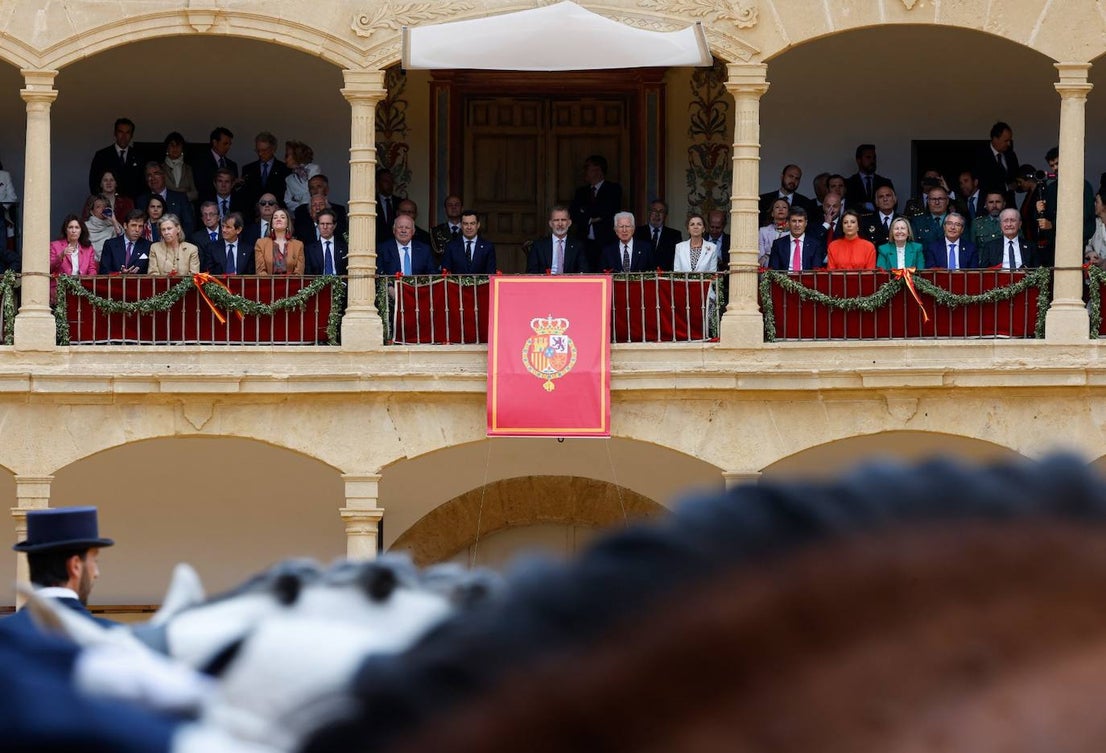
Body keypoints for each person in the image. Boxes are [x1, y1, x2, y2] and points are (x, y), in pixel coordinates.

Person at [1, 506, 115, 638]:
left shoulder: (4, 636)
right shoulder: (112, 638)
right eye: (95, 560)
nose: (96, 573)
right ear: (75, 565)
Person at [569, 155, 622, 270]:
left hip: (606, 242)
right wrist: (592, 218)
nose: (584, 172)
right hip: (584, 243)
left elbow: (608, 211)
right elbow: (573, 214)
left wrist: (585, 212)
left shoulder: (613, 189)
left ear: (597, 170)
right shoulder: (581, 192)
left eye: (587, 168)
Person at [87, 117, 143, 197]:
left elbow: (142, 184)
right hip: (107, 204)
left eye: (127, 133)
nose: (124, 136)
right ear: (115, 133)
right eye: (121, 132)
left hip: (132, 204)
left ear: (131, 135)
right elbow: (94, 183)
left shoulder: (138, 157)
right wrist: (101, 202)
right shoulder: (102, 155)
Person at [240, 131, 289, 222]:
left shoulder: (284, 169)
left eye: (264, 150)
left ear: (273, 149)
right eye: (258, 150)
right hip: (253, 218)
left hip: (277, 217)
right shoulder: (248, 169)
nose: (260, 154)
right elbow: (246, 197)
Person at [135, 161, 195, 236]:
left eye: (156, 174)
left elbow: (189, 224)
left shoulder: (180, 198)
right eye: (149, 175)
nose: (153, 178)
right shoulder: (141, 200)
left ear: (164, 175)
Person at [48, 215, 97, 302]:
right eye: (70, 227)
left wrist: (86, 286)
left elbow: (92, 270)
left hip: (81, 291)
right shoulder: (55, 246)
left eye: (77, 227)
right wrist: (61, 255)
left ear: (81, 230)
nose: (74, 231)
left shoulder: (88, 249)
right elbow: (49, 268)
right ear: (66, 230)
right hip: (60, 291)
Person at [526, 205, 588, 274]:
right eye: (556, 220)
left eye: (563, 220)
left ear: (569, 223)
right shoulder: (538, 246)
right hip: (545, 283)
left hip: (569, 283)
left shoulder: (578, 246)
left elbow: (583, 271)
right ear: (550, 223)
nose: (560, 224)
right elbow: (531, 273)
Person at [974, 120, 1020, 207]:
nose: (1009, 144)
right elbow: (983, 182)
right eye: (1006, 141)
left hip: (1008, 205)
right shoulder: (981, 155)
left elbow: (1016, 175)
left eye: (1010, 140)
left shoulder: (1010, 155)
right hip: (989, 206)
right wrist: (1006, 187)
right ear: (995, 139)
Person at [442, 209, 497, 274]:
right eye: (465, 224)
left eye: (472, 223)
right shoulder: (451, 246)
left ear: (478, 225)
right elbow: (445, 273)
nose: (469, 227)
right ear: (461, 226)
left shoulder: (488, 247)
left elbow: (491, 273)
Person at [768, 207, 823, 272]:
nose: (797, 225)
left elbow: (816, 270)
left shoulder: (815, 244)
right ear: (788, 223)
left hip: (806, 280)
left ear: (805, 223)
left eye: (800, 221)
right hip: (784, 280)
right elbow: (773, 270)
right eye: (794, 221)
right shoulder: (778, 244)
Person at [635, 199, 682, 271]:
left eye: (661, 211)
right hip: (642, 278)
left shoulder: (675, 235)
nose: (657, 214)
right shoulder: (637, 232)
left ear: (665, 215)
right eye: (654, 210)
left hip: (665, 278)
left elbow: (677, 261)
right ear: (649, 213)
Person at [844, 143, 893, 212]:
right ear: (858, 160)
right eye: (868, 157)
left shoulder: (885, 183)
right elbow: (848, 206)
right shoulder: (849, 183)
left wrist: (866, 205)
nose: (872, 161)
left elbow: (893, 204)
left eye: (874, 158)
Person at [254, 208, 304, 275]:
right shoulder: (261, 243)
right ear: (271, 223)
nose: (278, 219)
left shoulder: (298, 245)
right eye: (275, 218)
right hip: (267, 284)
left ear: (287, 223)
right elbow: (260, 271)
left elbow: (299, 273)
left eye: (282, 217)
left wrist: (287, 284)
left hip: (292, 284)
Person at [100, 209, 151, 274]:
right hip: (115, 283)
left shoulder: (148, 246)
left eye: (140, 226)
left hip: (138, 283)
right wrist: (120, 273)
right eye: (133, 225)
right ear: (125, 225)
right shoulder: (110, 244)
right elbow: (103, 271)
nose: (137, 230)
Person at [192, 126, 238, 197]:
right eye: (225, 144)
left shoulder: (232, 165)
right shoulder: (200, 162)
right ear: (215, 142)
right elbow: (200, 186)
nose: (228, 147)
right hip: (207, 204)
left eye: (229, 144)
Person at [304, 209, 348, 276]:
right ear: (318, 226)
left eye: (328, 224)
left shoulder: (344, 247)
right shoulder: (310, 249)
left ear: (334, 225)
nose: (325, 227)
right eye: (322, 224)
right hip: (317, 285)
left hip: (341, 284)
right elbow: (308, 273)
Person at [283, 140, 321, 214]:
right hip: (300, 214)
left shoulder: (313, 169)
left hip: (317, 210)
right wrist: (301, 207)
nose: (284, 159)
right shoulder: (289, 179)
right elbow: (287, 201)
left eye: (287, 155)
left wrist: (297, 198)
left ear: (296, 155)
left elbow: (313, 191)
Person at [83, 193, 122, 262]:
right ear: (92, 211)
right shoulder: (84, 227)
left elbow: (124, 243)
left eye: (105, 206)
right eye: (98, 207)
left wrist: (114, 221)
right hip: (89, 265)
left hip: (109, 265)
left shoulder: (113, 226)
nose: (102, 209)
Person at [161, 131, 198, 203]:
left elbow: (195, 194)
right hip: (165, 208)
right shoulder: (160, 169)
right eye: (172, 145)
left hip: (186, 208)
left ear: (182, 148)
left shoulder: (189, 169)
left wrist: (178, 196)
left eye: (178, 145)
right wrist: (182, 193)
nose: (175, 148)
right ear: (167, 148)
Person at [758, 198, 790, 267]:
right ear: (772, 213)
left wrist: (768, 254)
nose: (781, 209)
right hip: (767, 268)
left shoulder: (793, 232)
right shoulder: (763, 231)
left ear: (788, 213)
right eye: (777, 207)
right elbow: (761, 256)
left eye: (784, 207)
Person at [431, 194, 464, 259]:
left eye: (457, 205)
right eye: (450, 205)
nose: (453, 207)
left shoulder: (470, 229)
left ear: (462, 208)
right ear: (445, 209)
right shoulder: (436, 231)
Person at [376, 167, 399, 242]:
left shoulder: (400, 202)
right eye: (386, 181)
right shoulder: (372, 202)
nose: (389, 184)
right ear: (378, 183)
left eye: (391, 181)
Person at [1085, 190, 1106, 268]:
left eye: (1097, 202)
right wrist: (1090, 252)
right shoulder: (1095, 224)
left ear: (1104, 206)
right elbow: (1087, 243)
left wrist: (1102, 262)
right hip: (1096, 274)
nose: (1094, 204)